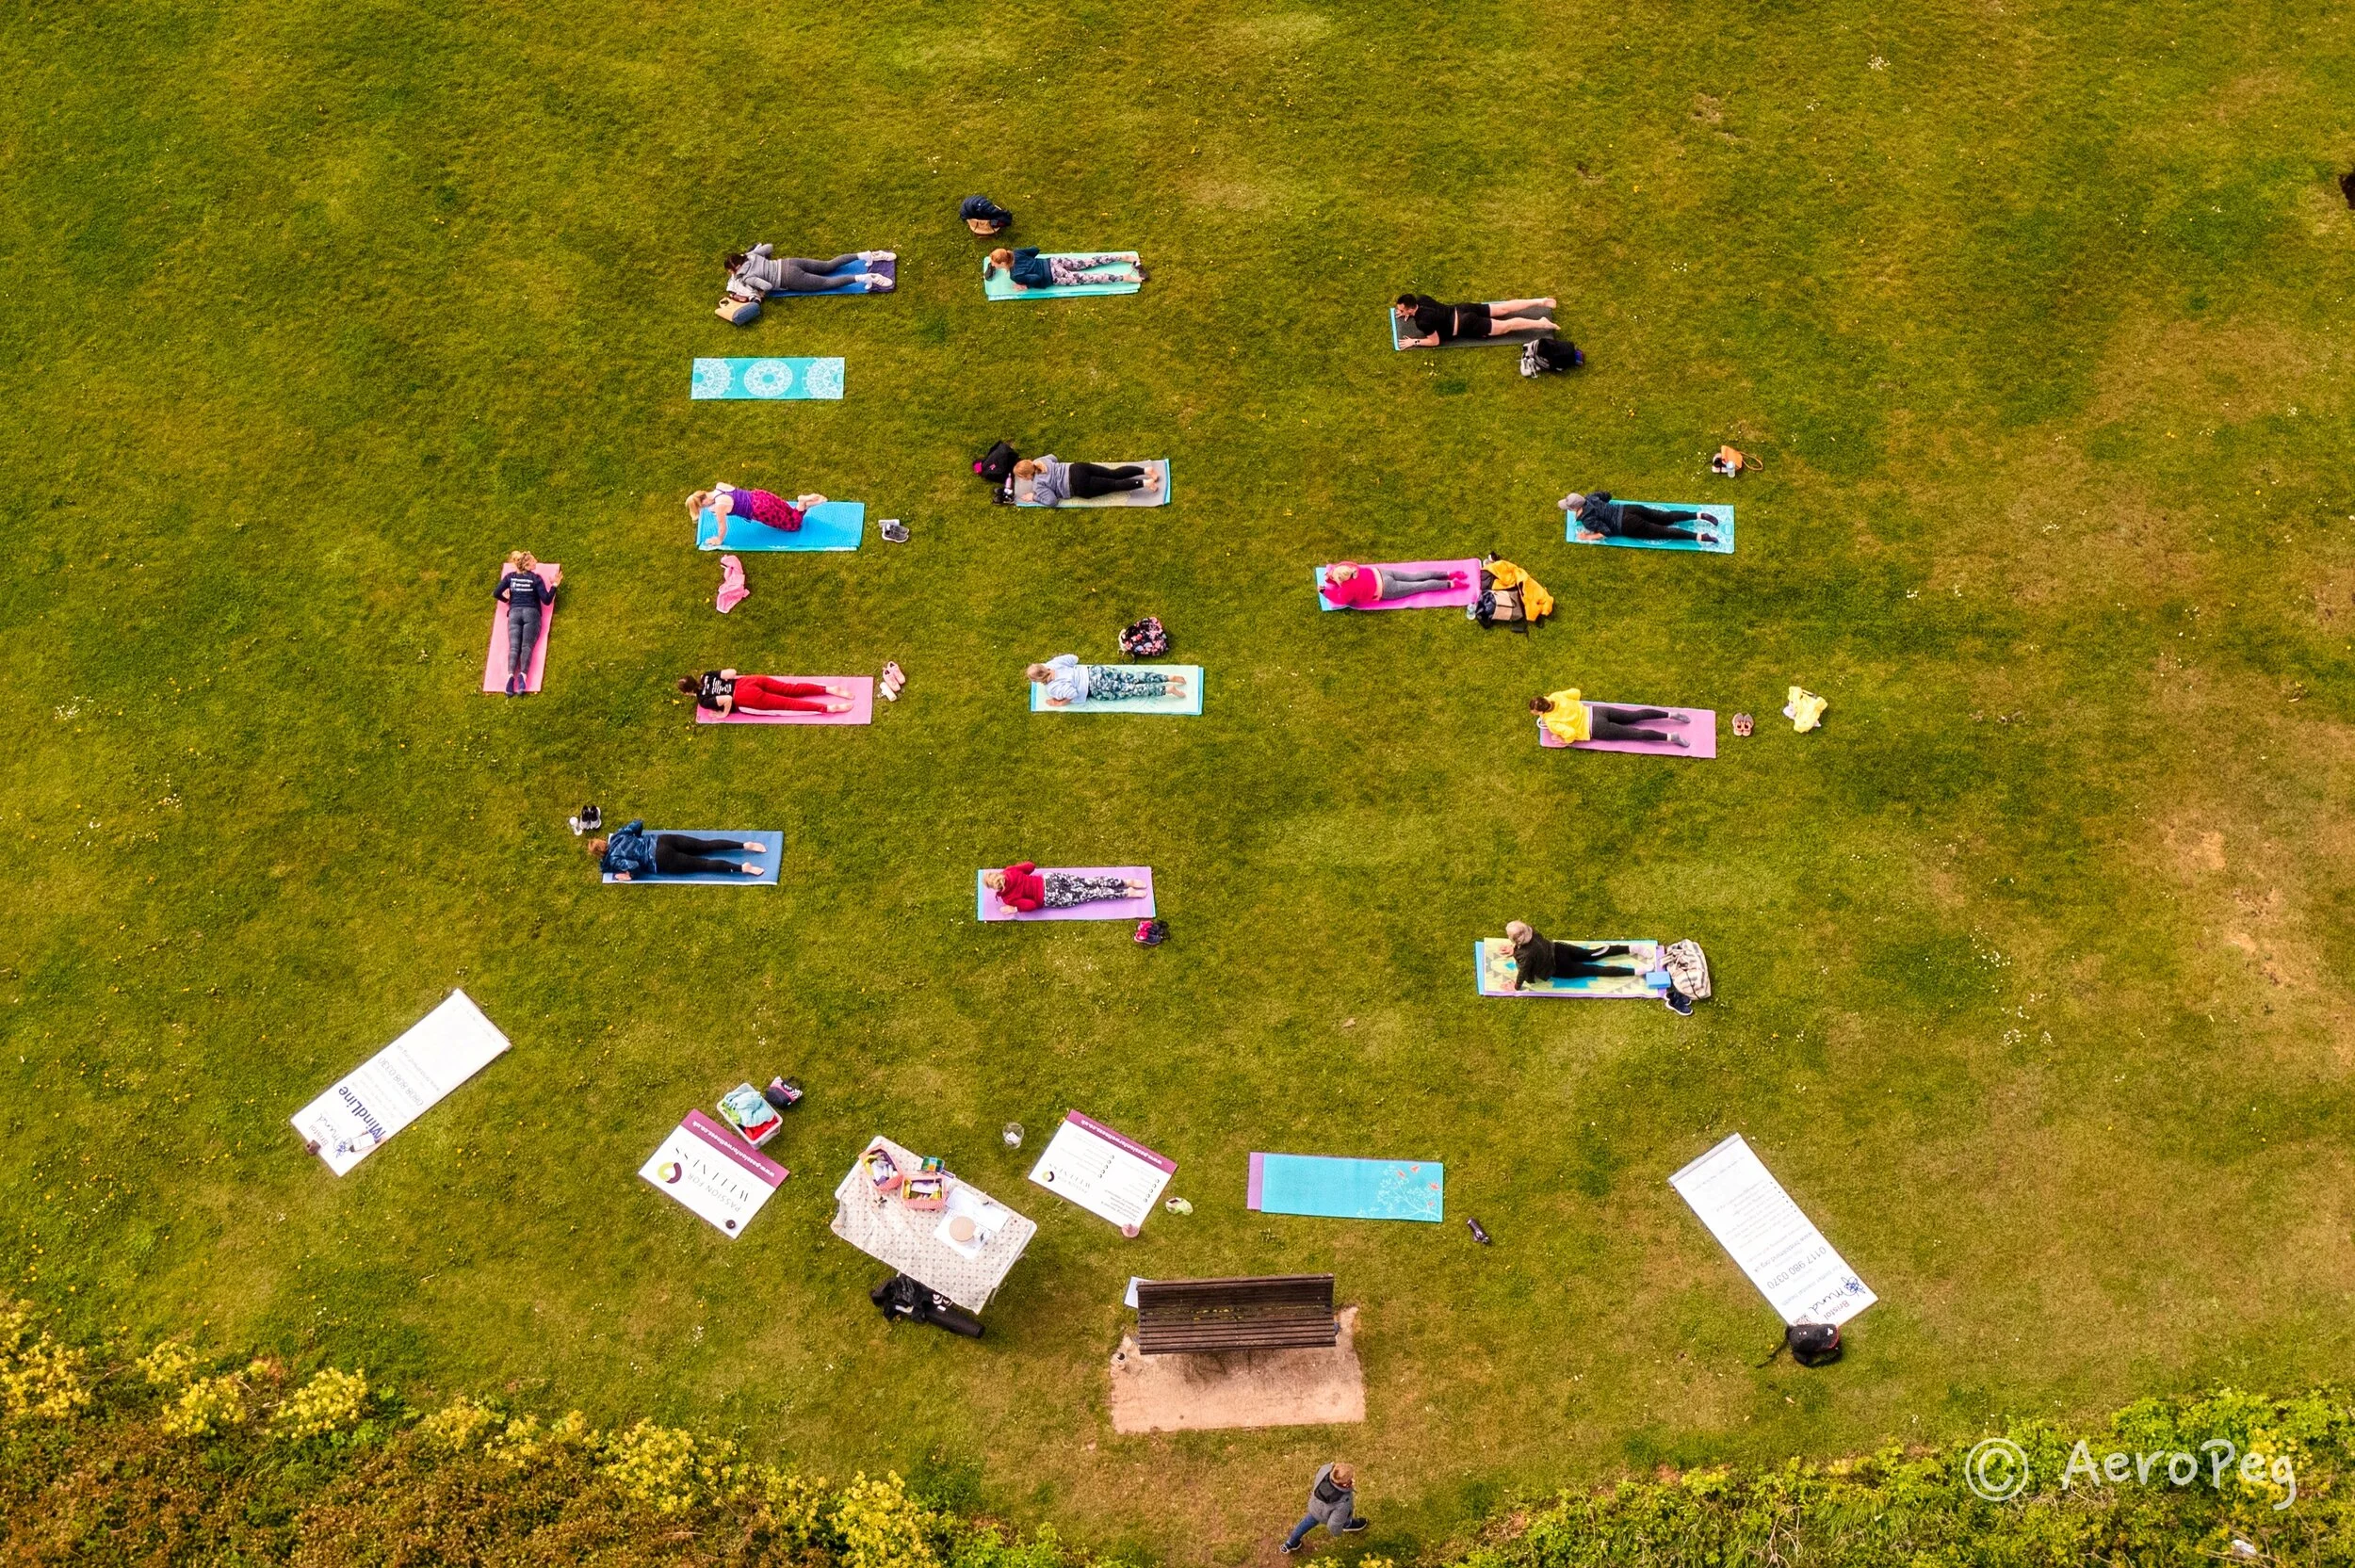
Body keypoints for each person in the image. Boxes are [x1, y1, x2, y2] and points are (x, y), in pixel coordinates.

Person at [592, 821, 768, 880]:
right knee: (706, 845)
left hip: (660, 859)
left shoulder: (613, 859)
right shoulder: (619, 835)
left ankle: (743, 868)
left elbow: (634, 865)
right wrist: (638, 837)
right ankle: (745, 845)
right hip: (663, 840)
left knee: (704, 864)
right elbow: (638, 823)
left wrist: (628, 875)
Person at [724, 244, 892, 299]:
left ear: (736, 269)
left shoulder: (747, 277)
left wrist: (760, 293)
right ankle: (867, 255)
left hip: (790, 278)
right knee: (829, 265)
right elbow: (769, 246)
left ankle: (865, 278)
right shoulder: (751, 255)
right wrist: (765, 259)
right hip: (791, 262)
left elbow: (767, 286)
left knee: (828, 283)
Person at [1532, 690, 1690, 747]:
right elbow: (1575, 692)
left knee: (1634, 733)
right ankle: (1671, 715)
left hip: (1596, 728)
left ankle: (1671, 737)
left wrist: (1564, 741)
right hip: (1598, 711)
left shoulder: (1551, 722)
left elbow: (1570, 733)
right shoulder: (1556, 696)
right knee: (1635, 716)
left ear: (1540, 712)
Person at [1504, 921, 1636, 988]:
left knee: (1593, 970)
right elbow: (1526, 943)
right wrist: (1516, 948)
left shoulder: (1524, 955)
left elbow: (1523, 972)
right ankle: (1631, 948)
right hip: (1560, 949)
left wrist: (1516, 987)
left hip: (1559, 967)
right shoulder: (1533, 932)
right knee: (1592, 954)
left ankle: (1636, 971)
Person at [687, 484, 827, 547]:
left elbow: (723, 527)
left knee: (793, 525)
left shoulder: (719, 507)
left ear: (704, 502)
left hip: (760, 509)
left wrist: (718, 540)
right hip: (760, 495)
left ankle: (802, 503)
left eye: (703, 507)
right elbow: (731, 499)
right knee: (788, 511)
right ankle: (804, 505)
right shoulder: (720, 486)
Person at [494, 551, 554, 697]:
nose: (536, 561)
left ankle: (509, 679)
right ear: (527, 565)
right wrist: (555, 585)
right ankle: (522, 677)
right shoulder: (535, 579)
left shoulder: (510, 577)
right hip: (531, 613)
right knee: (526, 646)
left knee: (514, 647)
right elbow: (546, 600)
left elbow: (496, 593)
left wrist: (506, 600)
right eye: (533, 561)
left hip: (514, 613)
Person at [983, 862, 1149, 914]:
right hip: (1052, 879)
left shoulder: (1008, 898)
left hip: (1051, 896)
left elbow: (1031, 905)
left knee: (1091, 893)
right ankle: (1126, 882)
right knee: (1089, 881)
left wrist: (1015, 908)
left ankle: (1127, 893)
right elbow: (1031, 866)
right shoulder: (1010, 870)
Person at [1560, 492, 1719, 545]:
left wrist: (1587, 536)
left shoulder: (1587, 520)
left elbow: (1606, 532)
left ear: (1574, 508)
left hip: (1627, 524)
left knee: (1664, 531)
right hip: (1629, 509)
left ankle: (1701, 537)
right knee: (1665, 516)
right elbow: (1607, 495)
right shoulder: (1591, 497)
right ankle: (1700, 515)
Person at [1392, 294, 1555, 347]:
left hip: (1466, 324)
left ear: (1409, 309)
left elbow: (1435, 341)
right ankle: (1540, 301)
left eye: (1401, 310)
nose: (1400, 312)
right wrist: (1410, 313)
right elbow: (1423, 310)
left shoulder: (1422, 322)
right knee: (1504, 308)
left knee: (1507, 326)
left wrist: (1414, 342)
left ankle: (1541, 323)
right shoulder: (1422, 299)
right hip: (1463, 308)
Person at [1026, 655, 1187, 706]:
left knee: (1131, 689)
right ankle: (1167, 677)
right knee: (1133, 678)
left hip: (1096, 687)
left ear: (1038, 681)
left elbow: (1073, 693)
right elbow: (1074, 658)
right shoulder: (1054, 663)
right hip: (1096, 671)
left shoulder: (1053, 688)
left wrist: (1059, 702)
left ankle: (1167, 690)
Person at [1280, 1462, 1367, 1554]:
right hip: (1325, 1516)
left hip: (1315, 1507)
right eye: (1351, 1478)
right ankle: (1348, 1525)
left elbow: (1329, 1466)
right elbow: (1333, 1525)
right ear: (1345, 1484)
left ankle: (1290, 1544)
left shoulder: (1325, 1470)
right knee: (1343, 1519)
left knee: (1304, 1525)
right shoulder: (1343, 1501)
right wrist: (1337, 1532)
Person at [680, 671, 855, 716]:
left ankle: (829, 708)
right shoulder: (706, 676)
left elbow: (726, 699)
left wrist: (723, 714)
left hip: (745, 697)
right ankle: (828, 689)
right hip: (750, 681)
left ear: (688, 693)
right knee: (790, 689)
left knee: (788, 705)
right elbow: (732, 672)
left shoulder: (703, 700)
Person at [1014, 455, 1161, 505]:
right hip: (1078, 468)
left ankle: (1146, 483)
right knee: (1113, 473)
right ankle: (1146, 471)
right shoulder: (1040, 461)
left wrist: (1034, 496)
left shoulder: (1038, 485)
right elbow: (1053, 457)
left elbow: (1051, 501)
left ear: (1027, 476)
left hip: (1078, 485)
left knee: (1114, 485)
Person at [1317, 561, 1467, 608]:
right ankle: (1449, 573)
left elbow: (1341, 599)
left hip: (1388, 589)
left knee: (1420, 587)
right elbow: (1343, 565)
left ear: (1341, 580)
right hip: (1383, 574)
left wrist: (1325, 591)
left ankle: (1452, 584)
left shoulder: (1347, 589)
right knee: (1416, 576)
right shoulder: (1353, 568)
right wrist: (1332, 577)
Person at [985, 247, 1144, 289]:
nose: (993, 265)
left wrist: (1025, 285)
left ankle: (1125, 278)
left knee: (1091, 278)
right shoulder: (1017, 252)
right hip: (1055, 261)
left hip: (1055, 276)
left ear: (1002, 264)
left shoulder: (1015, 275)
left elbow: (1037, 278)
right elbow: (1035, 250)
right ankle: (1122, 257)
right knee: (1089, 261)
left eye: (994, 264)